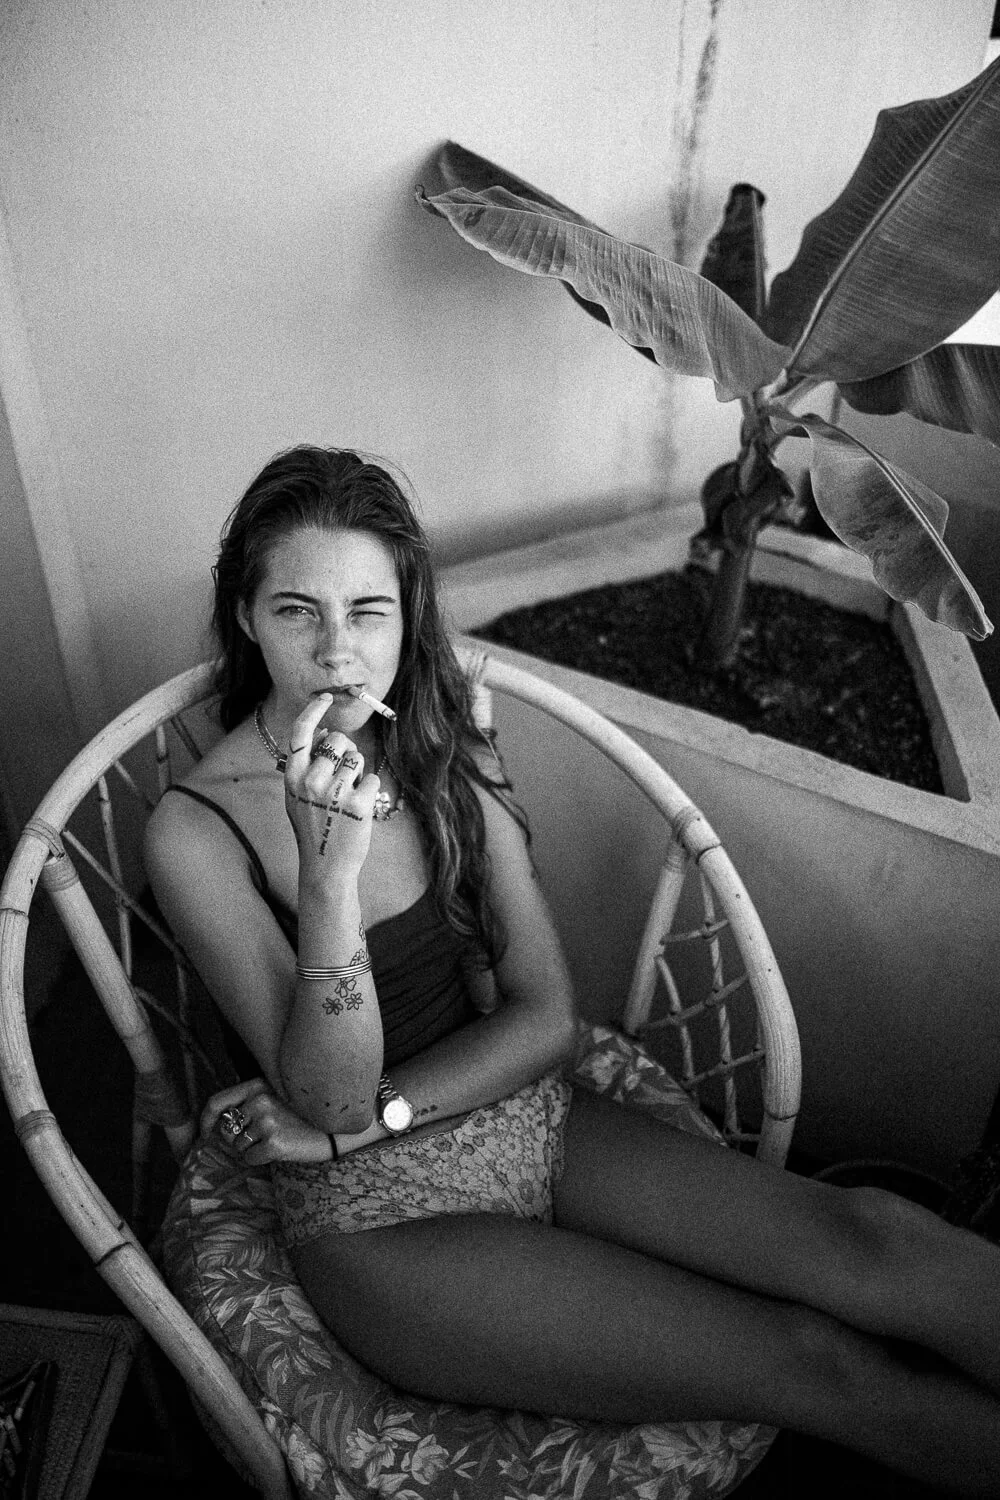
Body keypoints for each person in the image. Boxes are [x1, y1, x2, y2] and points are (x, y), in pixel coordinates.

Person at [145, 444, 1000, 1495]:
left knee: (874, 1236)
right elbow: (324, 1091)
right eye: (296, 612)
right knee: (815, 1363)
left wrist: (371, 1121)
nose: (336, 652)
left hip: (510, 1114)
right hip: (384, 1226)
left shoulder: (446, 745)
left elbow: (544, 1017)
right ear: (244, 615)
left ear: (409, 613)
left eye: (367, 611)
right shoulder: (199, 830)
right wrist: (328, 893)